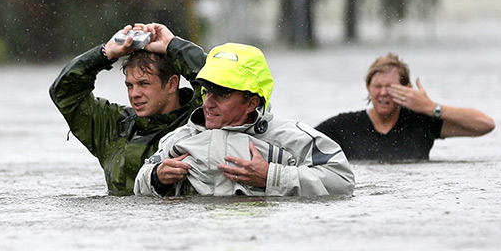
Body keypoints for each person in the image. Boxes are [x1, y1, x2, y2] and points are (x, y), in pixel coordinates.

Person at [134, 43, 355, 197]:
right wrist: (157, 177)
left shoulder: (292, 137)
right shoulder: (180, 137)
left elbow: (342, 180)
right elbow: (140, 184)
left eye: (221, 95)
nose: (208, 103)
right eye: (206, 92)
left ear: (252, 102)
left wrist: (271, 176)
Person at [49, 23, 206, 195]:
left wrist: (174, 46)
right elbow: (65, 93)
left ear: (172, 84)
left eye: (144, 84)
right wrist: (105, 53)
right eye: (129, 85)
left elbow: (222, 87)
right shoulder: (115, 126)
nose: (134, 94)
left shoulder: (202, 120)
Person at [315, 53, 495, 161]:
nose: (383, 93)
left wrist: (431, 107)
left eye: (391, 87)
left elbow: (485, 125)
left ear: (407, 89)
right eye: (378, 86)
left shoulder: (423, 123)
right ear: (368, 88)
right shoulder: (344, 126)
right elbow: (298, 144)